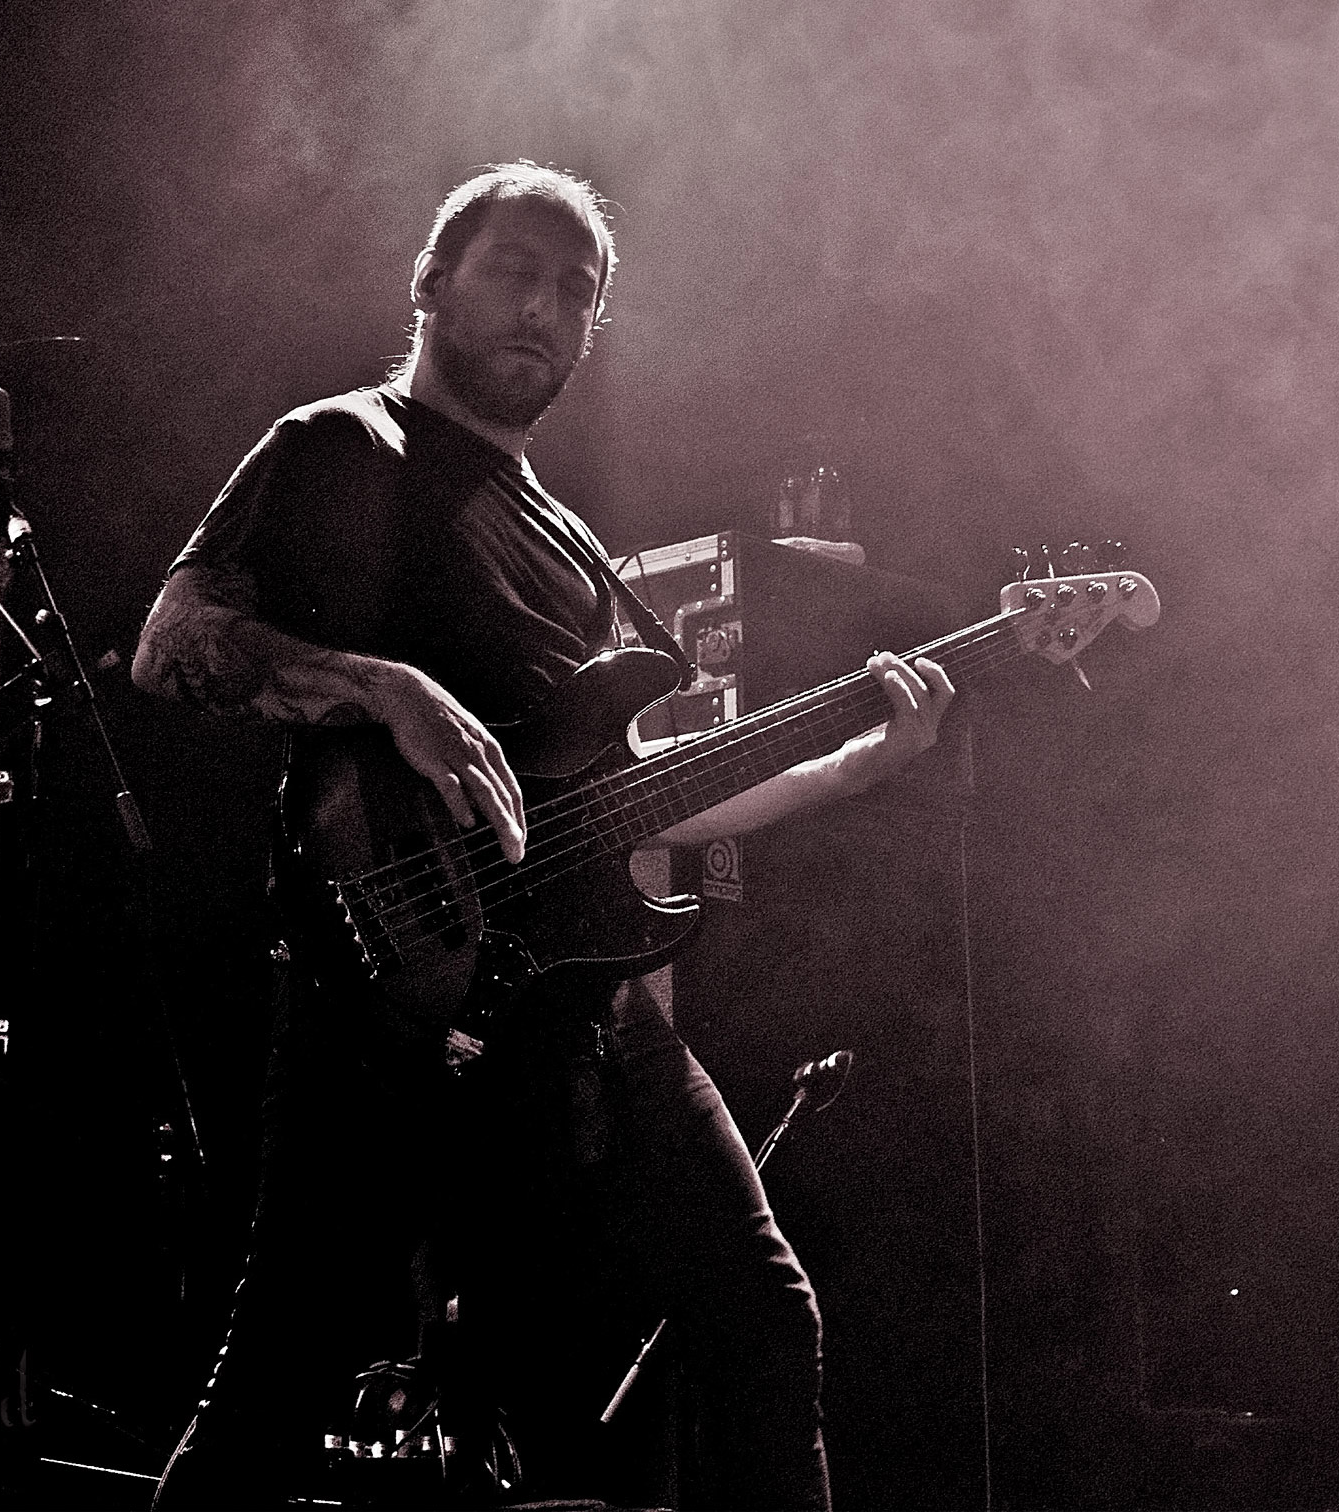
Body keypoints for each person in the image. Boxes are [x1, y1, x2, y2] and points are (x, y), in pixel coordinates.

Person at [133, 161, 953, 1509]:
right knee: (280, 1377)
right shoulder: (345, 446)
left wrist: (851, 767)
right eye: (518, 271)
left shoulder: (575, 547)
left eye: (580, 291)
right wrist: (383, 686)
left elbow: (627, 791)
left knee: (763, 1324)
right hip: (382, 982)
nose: (547, 309)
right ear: (432, 284)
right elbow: (173, 648)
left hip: (586, 1004)